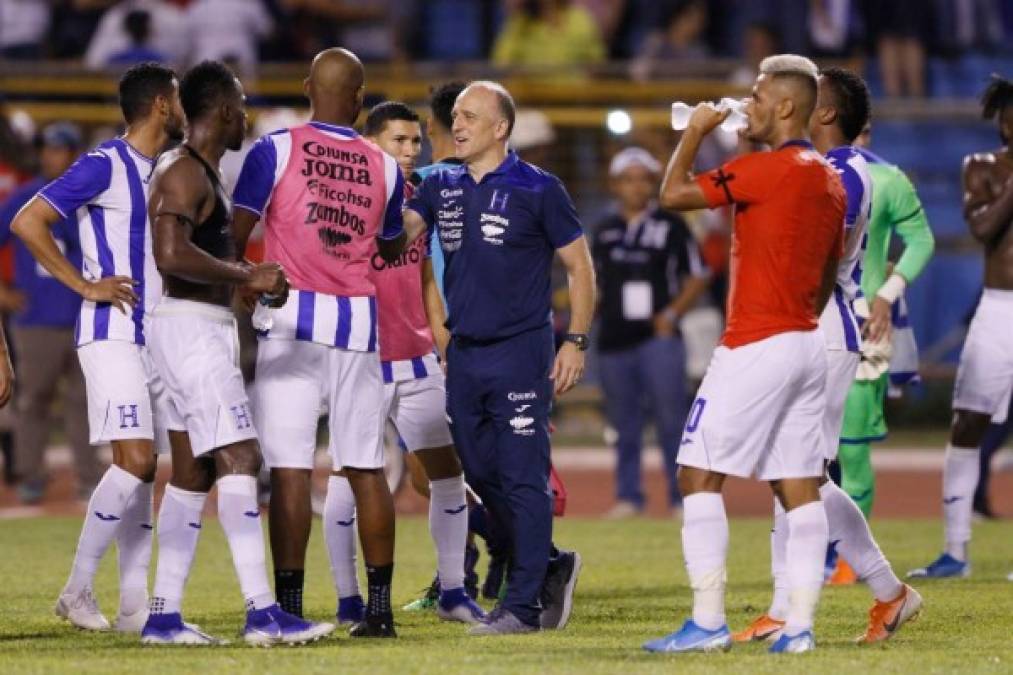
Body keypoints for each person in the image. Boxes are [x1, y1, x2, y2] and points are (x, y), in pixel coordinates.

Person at [642, 54, 845, 655]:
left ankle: (707, 622)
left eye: (756, 97)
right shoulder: (829, 178)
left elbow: (674, 193)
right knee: (798, 484)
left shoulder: (765, 168)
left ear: (785, 106)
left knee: (698, 473)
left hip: (757, 341)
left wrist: (695, 133)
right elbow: (830, 272)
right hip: (808, 339)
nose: (745, 106)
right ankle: (800, 627)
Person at [138, 59, 333, 646]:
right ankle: (262, 614)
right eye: (242, 105)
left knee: (194, 472)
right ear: (224, 110)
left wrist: (240, 277)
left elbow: (188, 255)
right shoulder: (183, 172)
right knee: (243, 459)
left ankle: (164, 617)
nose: (245, 116)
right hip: (192, 331)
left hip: (191, 328)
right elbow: (170, 257)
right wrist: (244, 275)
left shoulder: (200, 171)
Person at [232, 48, 422, 638]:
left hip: (290, 322)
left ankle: (287, 606)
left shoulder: (275, 149)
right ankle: (380, 612)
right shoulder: (386, 166)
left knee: (289, 469)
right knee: (364, 467)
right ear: (361, 100)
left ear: (308, 86)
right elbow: (390, 247)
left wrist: (243, 282)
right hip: (360, 327)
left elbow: (234, 235)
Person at [734, 67, 922, 646]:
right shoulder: (817, 168)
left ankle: (864, 596)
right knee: (791, 472)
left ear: (823, 113)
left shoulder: (841, 172)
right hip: (806, 325)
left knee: (798, 474)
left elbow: (811, 254)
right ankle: (863, 595)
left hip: (822, 327)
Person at [404, 80, 593, 635]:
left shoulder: (539, 188)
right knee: (482, 473)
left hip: (519, 351)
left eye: (469, 116)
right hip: (463, 355)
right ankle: (551, 562)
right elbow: (403, 234)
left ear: (500, 128)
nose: (456, 124)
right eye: (455, 115)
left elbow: (580, 268)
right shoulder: (443, 188)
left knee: (522, 476)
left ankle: (524, 606)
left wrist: (575, 341)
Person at [12, 62, 186, 633]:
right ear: (162, 104)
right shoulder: (103, 164)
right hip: (111, 330)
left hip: (153, 335)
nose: (182, 109)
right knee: (135, 460)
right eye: (178, 99)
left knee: (144, 468)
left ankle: (134, 603)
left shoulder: (164, 168)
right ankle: (77, 588)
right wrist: (85, 284)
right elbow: (29, 220)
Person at [321, 100, 486, 626]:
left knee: (447, 472)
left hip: (417, 357)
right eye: (399, 140)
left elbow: (424, 281)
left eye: (416, 141)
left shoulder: (419, 201)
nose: (411, 151)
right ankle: (349, 600)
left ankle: (455, 592)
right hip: (361, 359)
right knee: (348, 479)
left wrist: (444, 346)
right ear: (370, 142)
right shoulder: (341, 201)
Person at [909, 75, 1013, 579]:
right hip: (998, 309)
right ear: (1002, 119)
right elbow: (982, 229)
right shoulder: (982, 167)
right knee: (967, 424)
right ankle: (955, 550)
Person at [828, 119, 935, 583]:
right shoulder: (801, 169)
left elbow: (922, 240)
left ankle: (851, 559)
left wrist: (888, 293)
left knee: (850, 450)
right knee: (806, 450)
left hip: (865, 327)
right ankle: (812, 552)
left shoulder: (889, 178)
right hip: (806, 323)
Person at [592, 146, 709, 518]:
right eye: (628, 179)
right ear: (615, 184)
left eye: (644, 179)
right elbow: (591, 280)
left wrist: (672, 314)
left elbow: (699, 274)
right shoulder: (604, 229)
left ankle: (680, 498)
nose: (636, 187)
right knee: (623, 423)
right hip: (613, 337)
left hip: (659, 338)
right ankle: (629, 496)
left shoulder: (672, 225)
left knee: (671, 419)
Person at [0, 122, 103, 504]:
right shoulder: (25, 196)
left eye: (58, 149)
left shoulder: (89, 199)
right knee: (33, 401)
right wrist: (2, 291)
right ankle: (29, 474)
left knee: (84, 401)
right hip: (36, 319)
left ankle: (90, 476)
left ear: (75, 154)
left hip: (83, 315)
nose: (49, 155)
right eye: (46, 148)